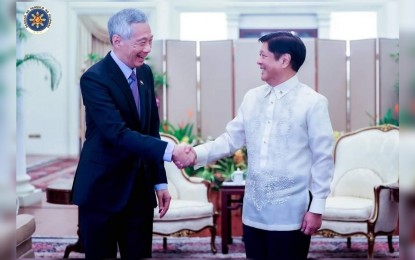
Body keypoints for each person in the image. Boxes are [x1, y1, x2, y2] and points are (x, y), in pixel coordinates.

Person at [188, 31, 335, 259]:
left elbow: (323, 159)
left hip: (291, 214)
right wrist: (193, 155)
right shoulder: (252, 98)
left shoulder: (313, 102)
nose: (258, 61)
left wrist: (317, 208)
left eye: (263, 55)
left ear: (284, 60)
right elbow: (230, 140)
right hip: (253, 213)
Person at [70, 8, 194, 259]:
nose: (148, 48)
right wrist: (172, 152)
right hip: (102, 190)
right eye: (141, 42)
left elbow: (150, 130)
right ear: (117, 41)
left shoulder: (145, 74)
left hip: (138, 190)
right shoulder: (94, 79)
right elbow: (117, 133)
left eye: (150, 40)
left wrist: (160, 181)